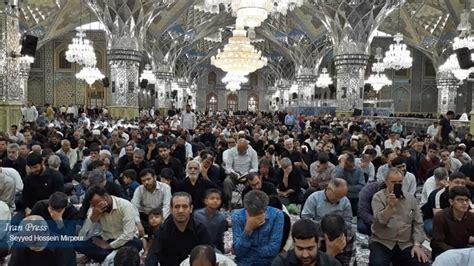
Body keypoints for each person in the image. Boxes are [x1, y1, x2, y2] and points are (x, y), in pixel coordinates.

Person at [369, 168, 428, 266]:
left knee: (422, 263)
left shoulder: (410, 199)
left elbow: (418, 223)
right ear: (386, 182)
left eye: (400, 182)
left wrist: (417, 244)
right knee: (377, 263)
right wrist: (390, 207)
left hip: (405, 243)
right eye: (393, 182)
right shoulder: (378, 197)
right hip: (383, 241)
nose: (397, 184)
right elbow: (380, 221)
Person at [78, 186, 142, 263]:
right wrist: (93, 218)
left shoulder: (125, 205)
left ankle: (108, 256)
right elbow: (83, 235)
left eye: (98, 203)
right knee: (80, 243)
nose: (97, 207)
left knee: (137, 243)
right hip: (105, 239)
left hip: (123, 241)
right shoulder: (94, 209)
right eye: (93, 205)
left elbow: (128, 234)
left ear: (106, 196)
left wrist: (109, 246)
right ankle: (116, 256)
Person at [145, 192, 211, 266]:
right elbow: (152, 256)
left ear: (191, 208)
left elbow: (208, 254)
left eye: (185, 206)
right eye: (177, 207)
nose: (180, 210)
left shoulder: (200, 229)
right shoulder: (162, 231)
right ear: (171, 209)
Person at [232, 190, 284, 265]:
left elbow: (273, 250)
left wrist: (248, 253)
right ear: (246, 208)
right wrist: (248, 230)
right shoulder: (237, 216)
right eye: (251, 214)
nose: (255, 217)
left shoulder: (277, 215)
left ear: (265, 209)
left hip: (268, 263)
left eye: (258, 214)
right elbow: (239, 252)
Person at [272, 219, 342, 266]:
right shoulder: (281, 263)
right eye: (300, 249)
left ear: (318, 244)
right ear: (293, 244)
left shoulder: (332, 263)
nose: (305, 255)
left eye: (310, 248)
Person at [431, 186, 474, 259]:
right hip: (444, 252)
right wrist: (457, 253)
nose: (464, 203)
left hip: (464, 250)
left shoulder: (471, 216)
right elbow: (437, 243)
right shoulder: (440, 217)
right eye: (460, 200)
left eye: (466, 200)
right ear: (451, 201)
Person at [421, 172, 467, 237]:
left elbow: (471, 211)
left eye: (463, 183)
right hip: (432, 218)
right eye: (456, 182)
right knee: (433, 229)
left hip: (456, 219)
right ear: (449, 182)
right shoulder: (438, 194)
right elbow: (438, 216)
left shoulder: (465, 194)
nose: (460, 185)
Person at [21, 152, 64, 217]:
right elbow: (25, 197)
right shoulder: (28, 179)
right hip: (32, 210)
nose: (33, 170)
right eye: (31, 168)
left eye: (35, 167)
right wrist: (26, 208)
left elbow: (59, 198)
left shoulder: (56, 176)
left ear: (42, 163)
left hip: (51, 210)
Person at [131, 168, 172, 237]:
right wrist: (138, 224)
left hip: (161, 215)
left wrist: (159, 219)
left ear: (155, 177)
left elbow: (167, 206)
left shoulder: (165, 188)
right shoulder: (139, 190)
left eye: (148, 179)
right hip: (145, 216)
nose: (146, 182)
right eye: (143, 181)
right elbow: (134, 207)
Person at [223, 138, 258, 209]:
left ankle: (247, 204)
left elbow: (255, 168)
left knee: (253, 183)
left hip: (247, 175)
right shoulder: (232, 151)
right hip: (234, 175)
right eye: (238, 149)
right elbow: (228, 167)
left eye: (242, 151)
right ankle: (228, 204)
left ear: (247, 148)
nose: (239, 152)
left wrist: (248, 173)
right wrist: (234, 173)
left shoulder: (253, 152)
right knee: (227, 182)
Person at [193, 189, 228, 253]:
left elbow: (219, 238)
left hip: (213, 247)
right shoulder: (197, 215)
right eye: (212, 198)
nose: (215, 201)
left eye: (218, 199)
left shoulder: (221, 217)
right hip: (197, 246)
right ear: (205, 201)